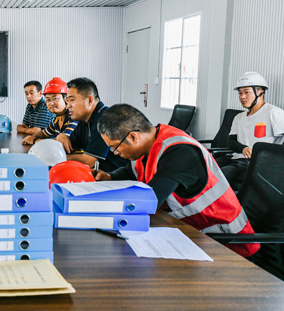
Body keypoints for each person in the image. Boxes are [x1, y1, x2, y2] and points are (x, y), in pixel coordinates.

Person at [95, 103, 259, 258]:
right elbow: (132, 170)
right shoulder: (147, 146)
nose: (115, 153)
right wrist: (110, 176)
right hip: (188, 233)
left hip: (224, 242)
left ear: (133, 137)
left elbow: (148, 202)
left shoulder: (179, 152)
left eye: (114, 148)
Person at [216, 72, 284, 191]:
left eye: (247, 92)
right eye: (240, 93)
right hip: (236, 157)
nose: (242, 97)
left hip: (255, 163)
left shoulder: (274, 113)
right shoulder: (239, 117)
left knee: (219, 177)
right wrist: (244, 148)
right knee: (205, 168)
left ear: (260, 93)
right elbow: (231, 142)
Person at [63, 77, 127, 172]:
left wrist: (58, 158)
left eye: (72, 100)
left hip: (120, 178)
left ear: (90, 100)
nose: (68, 106)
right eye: (67, 101)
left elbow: (90, 161)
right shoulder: (84, 120)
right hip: (102, 176)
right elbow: (69, 146)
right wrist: (61, 136)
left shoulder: (106, 118)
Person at [22, 77, 78, 153]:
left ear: (66, 99)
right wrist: (31, 137)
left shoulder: (73, 118)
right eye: (48, 99)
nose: (51, 103)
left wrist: (34, 140)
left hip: (75, 158)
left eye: (55, 98)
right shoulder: (56, 120)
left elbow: (58, 144)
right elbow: (43, 133)